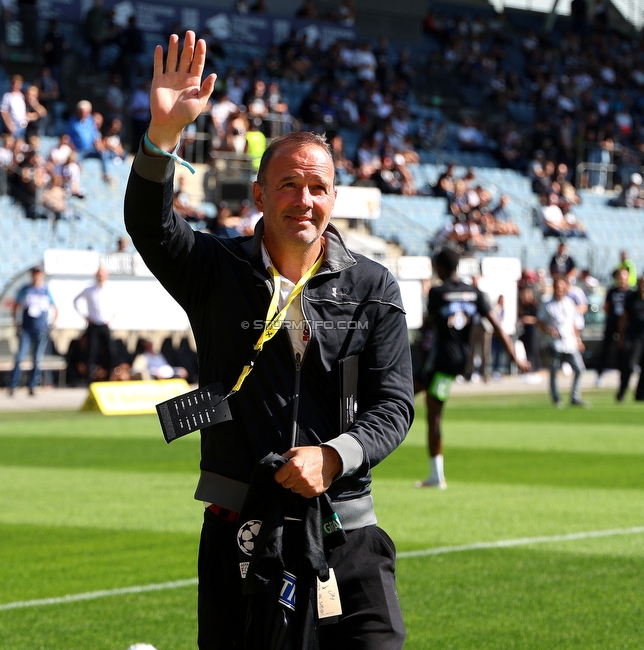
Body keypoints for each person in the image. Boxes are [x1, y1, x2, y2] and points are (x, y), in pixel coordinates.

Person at [125, 32, 412, 648]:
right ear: (259, 194)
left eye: (317, 188)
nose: (303, 200)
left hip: (345, 530)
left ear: (333, 199)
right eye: (287, 185)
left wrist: (334, 456)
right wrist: (163, 134)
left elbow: (394, 407)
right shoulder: (215, 270)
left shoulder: (372, 285)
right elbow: (148, 224)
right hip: (241, 532)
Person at [416, 248, 528, 489]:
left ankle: (437, 476)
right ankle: (435, 473)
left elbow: (430, 326)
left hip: (436, 361)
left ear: (441, 268)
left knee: (428, 412)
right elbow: (497, 326)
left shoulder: (437, 292)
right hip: (458, 362)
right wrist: (516, 358)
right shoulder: (474, 292)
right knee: (411, 400)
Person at [538, 276, 588, 408]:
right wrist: (549, 330)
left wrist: (578, 340)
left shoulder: (569, 303)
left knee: (579, 369)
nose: (559, 290)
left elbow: (574, 323)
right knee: (554, 371)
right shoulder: (547, 303)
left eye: (562, 287)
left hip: (569, 342)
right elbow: (540, 322)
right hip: (555, 343)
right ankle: (556, 398)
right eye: (557, 287)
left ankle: (575, 397)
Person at [9, 267, 56, 396]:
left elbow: (55, 307)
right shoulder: (25, 290)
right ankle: (13, 385)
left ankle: (32, 386)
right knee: (20, 357)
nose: (36, 276)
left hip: (41, 329)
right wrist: (16, 322)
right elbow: (15, 306)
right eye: (34, 274)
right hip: (26, 329)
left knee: (37, 358)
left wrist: (53, 323)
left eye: (38, 274)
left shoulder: (46, 291)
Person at [616, 265, 644, 403]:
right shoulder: (631, 298)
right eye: (642, 283)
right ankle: (622, 392)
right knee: (629, 365)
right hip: (635, 337)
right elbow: (623, 318)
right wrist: (621, 336)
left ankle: (642, 393)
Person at [73, 267, 116, 381]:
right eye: (99, 274)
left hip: (104, 325)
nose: (100, 277)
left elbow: (117, 304)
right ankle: (89, 379)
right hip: (93, 326)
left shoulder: (110, 289)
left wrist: (111, 317)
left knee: (110, 351)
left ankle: (108, 377)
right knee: (91, 351)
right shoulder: (89, 289)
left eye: (103, 274)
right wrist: (86, 317)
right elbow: (76, 301)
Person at [595, 267, 630, 386]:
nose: (622, 279)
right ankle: (599, 375)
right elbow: (606, 306)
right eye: (620, 277)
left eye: (624, 276)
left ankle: (624, 376)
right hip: (611, 323)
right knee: (605, 348)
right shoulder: (612, 291)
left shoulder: (630, 293)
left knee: (624, 350)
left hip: (625, 326)